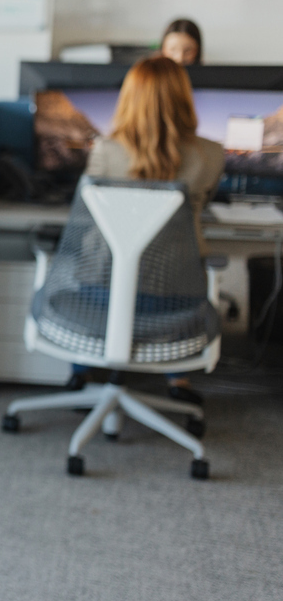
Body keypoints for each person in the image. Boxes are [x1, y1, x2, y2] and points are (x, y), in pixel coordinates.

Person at [80, 56, 224, 405]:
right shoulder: (212, 154)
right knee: (172, 277)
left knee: (84, 269)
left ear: (129, 98)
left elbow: (88, 220)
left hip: (104, 296)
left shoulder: (105, 151)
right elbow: (201, 205)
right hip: (175, 299)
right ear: (183, 97)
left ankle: (78, 374)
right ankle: (179, 382)